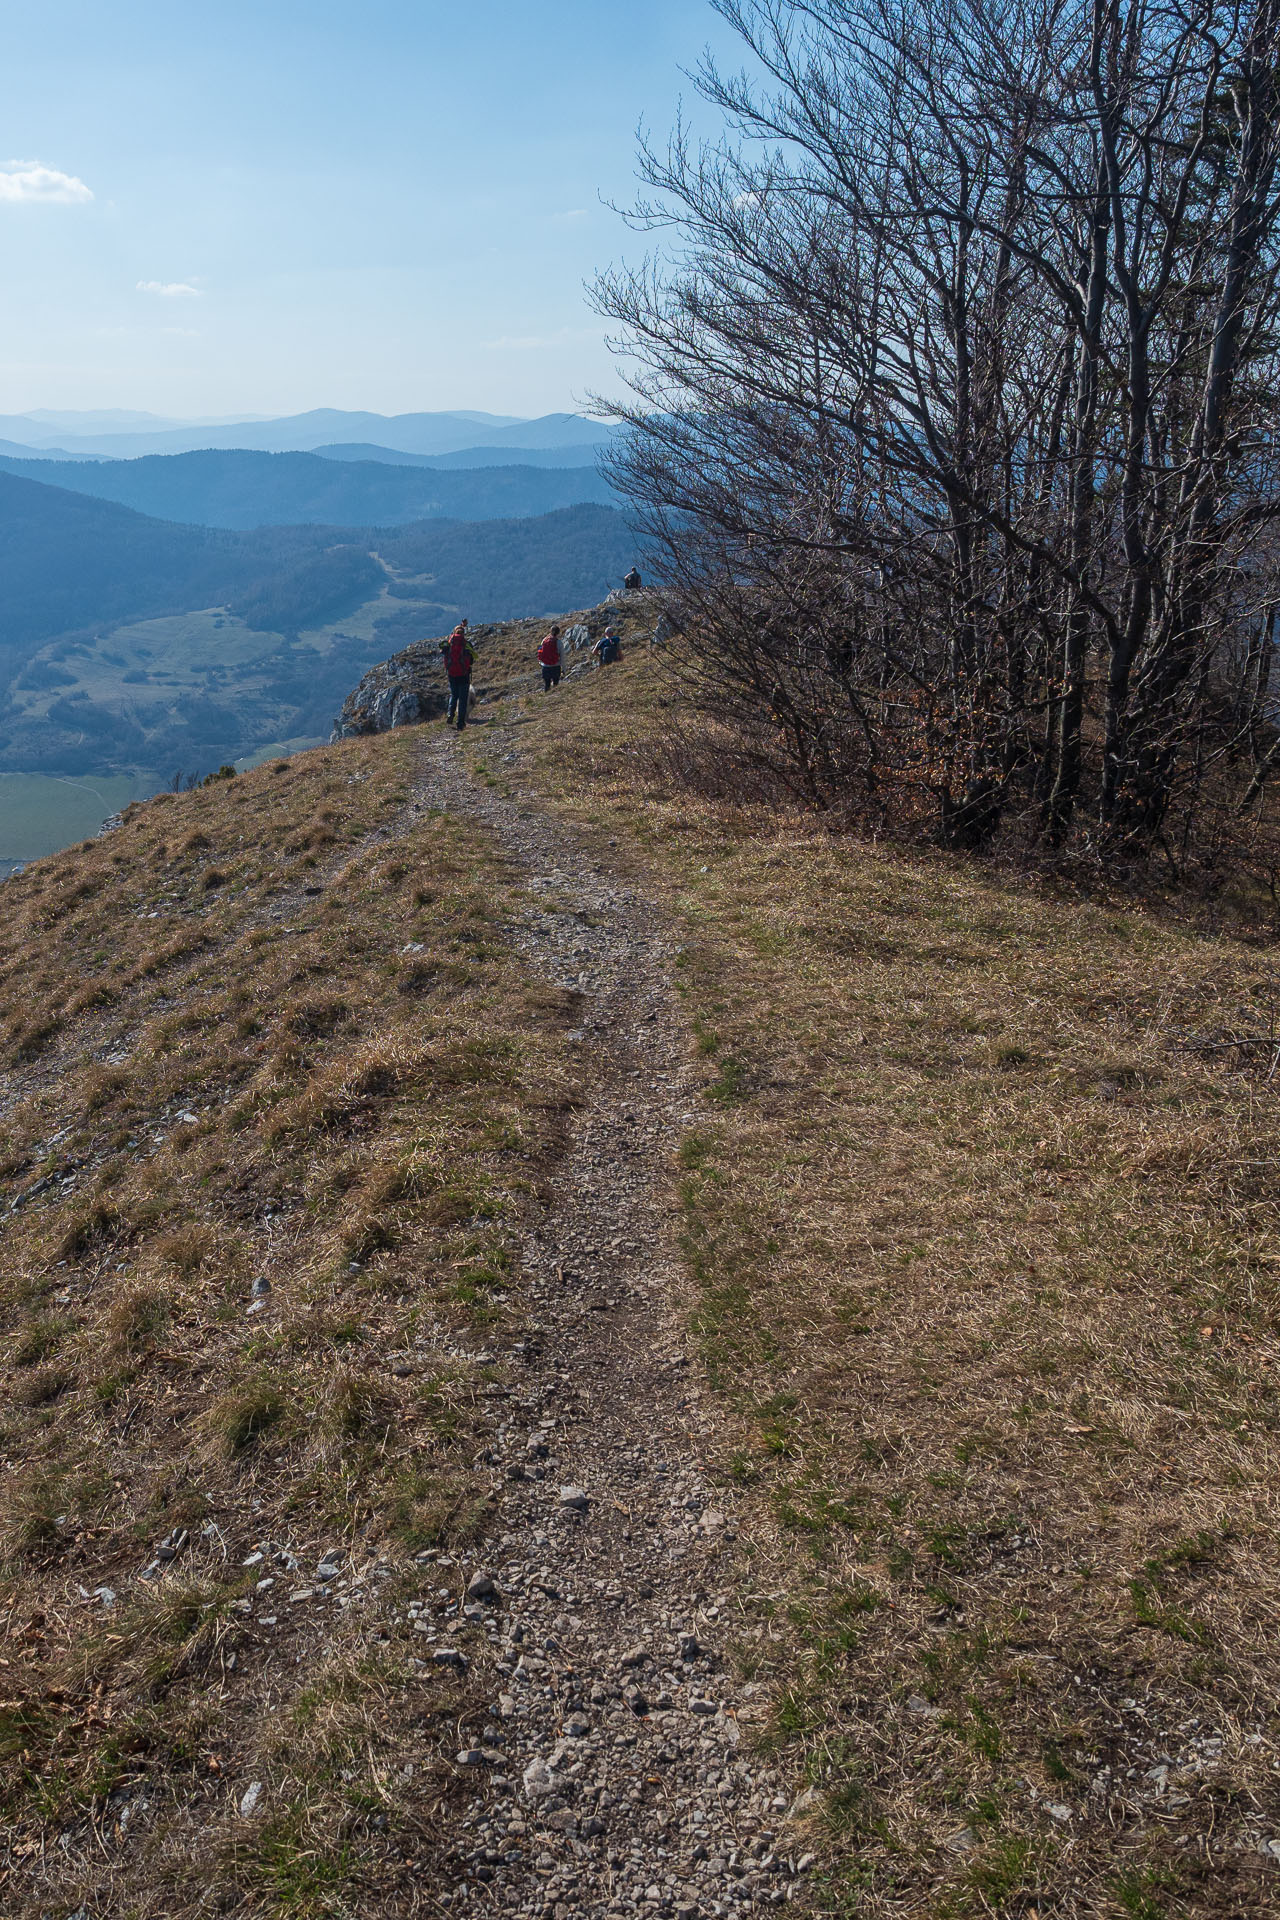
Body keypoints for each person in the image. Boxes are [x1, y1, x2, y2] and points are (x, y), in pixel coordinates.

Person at [439, 620, 475, 729]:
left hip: (452, 675)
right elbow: (472, 661)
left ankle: (450, 714)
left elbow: (444, 655)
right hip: (464, 675)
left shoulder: (448, 644)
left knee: (454, 695)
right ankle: (460, 723)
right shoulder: (467, 644)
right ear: (463, 634)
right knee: (463, 699)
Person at [536, 624, 563, 692]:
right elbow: (563, 656)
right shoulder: (559, 642)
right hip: (556, 666)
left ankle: (546, 699)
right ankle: (555, 699)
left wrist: (540, 661)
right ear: (558, 632)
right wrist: (564, 669)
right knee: (555, 685)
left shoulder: (544, 640)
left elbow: (540, 650)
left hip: (545, 666)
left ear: (550, 631)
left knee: (547, 685)